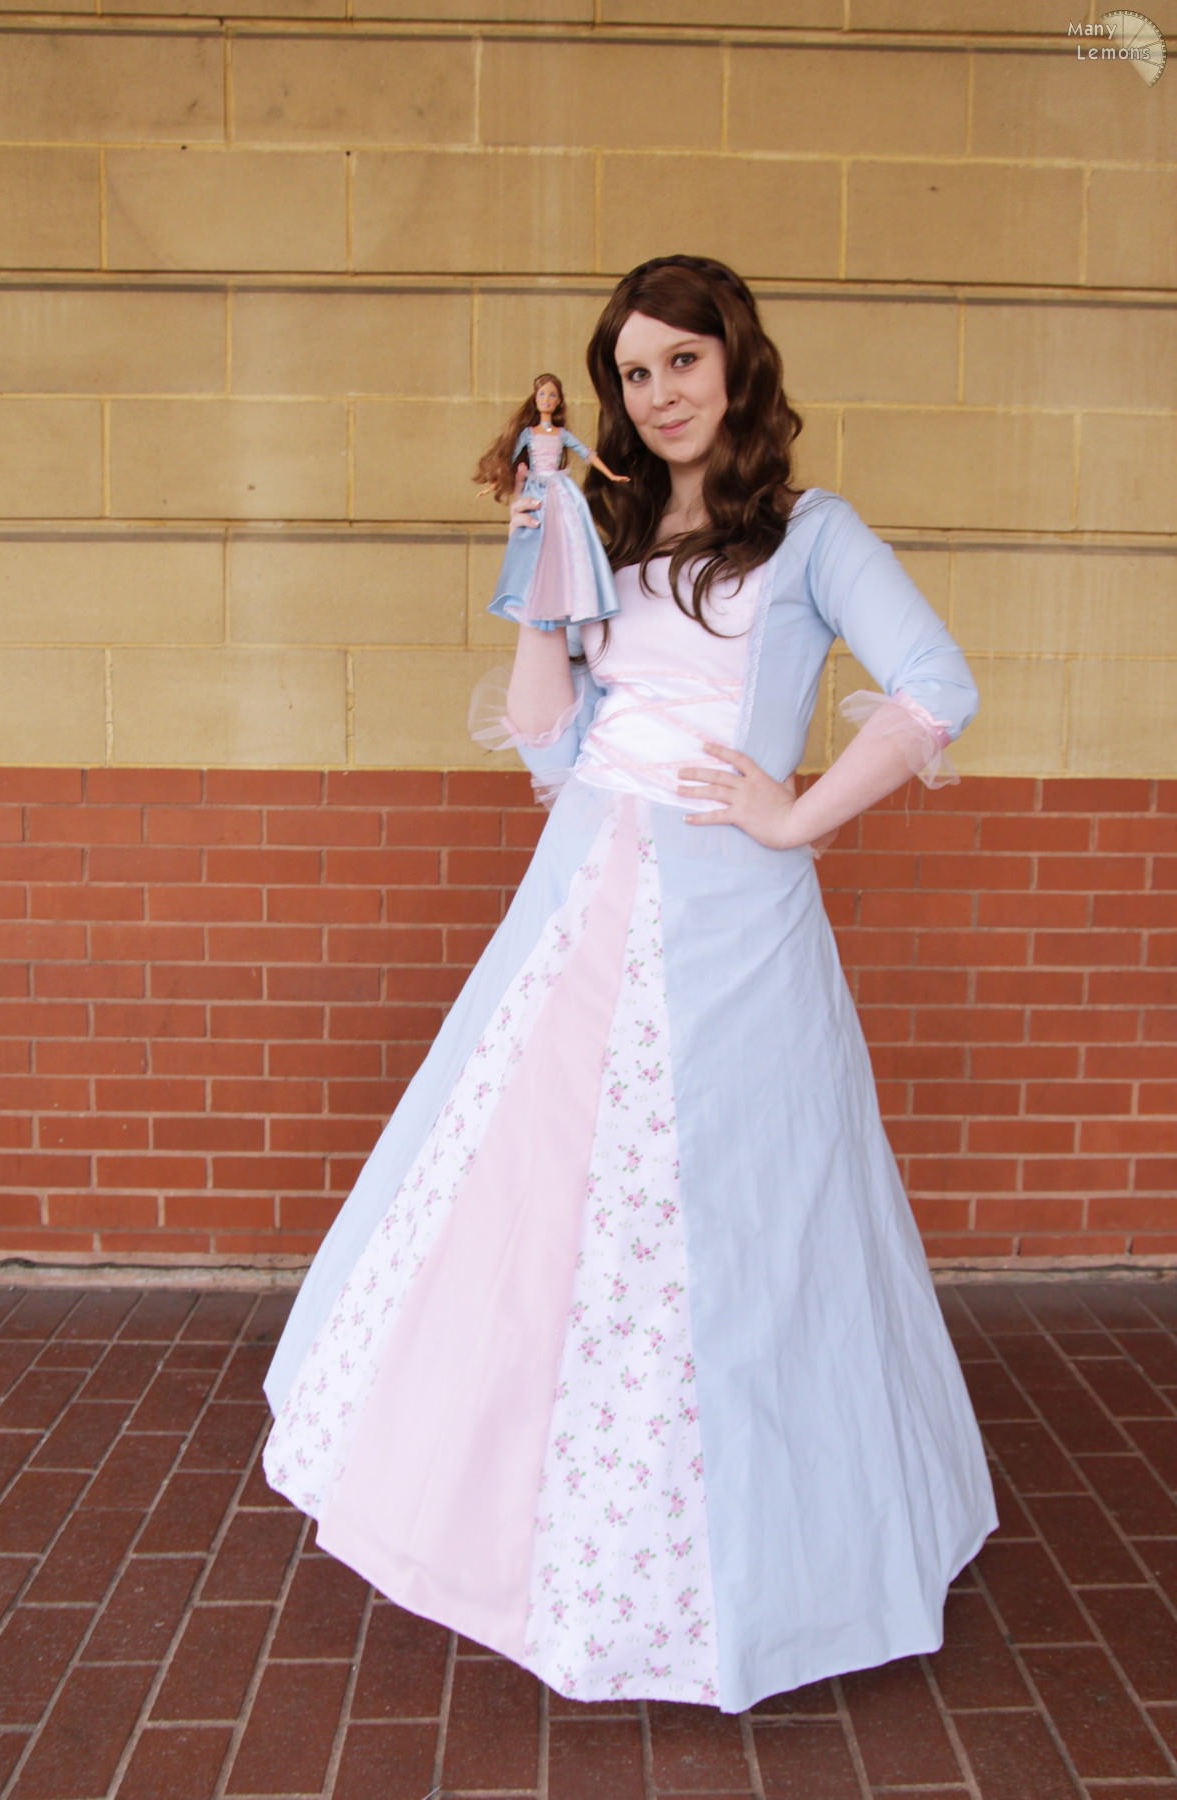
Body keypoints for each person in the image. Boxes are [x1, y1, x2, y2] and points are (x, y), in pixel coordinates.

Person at [263, 254, 997, 1715]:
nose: (659, 393)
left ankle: (750, 1570)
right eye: (635, 371)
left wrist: (794, 812)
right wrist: (539, 577)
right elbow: (550, 745)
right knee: (537, 1208)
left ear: (738, 364)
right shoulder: (604, 524)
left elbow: (938, 683)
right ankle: (540, 1540)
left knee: (733, 1225)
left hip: (733, 923)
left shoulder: (811, 533)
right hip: (580, 905)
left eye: (683, 361)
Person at [477, 371, 629, 630]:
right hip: (536, 488)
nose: (546, 399)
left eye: (552, 395)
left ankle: (568, 595)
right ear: (535, 398)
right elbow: (510, 461)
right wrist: (494, 484)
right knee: (537, 542)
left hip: (559, 488)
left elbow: (587, 453)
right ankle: (536, 599)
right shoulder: (528, 434)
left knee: (568, 538)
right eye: (542, 394)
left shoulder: (561, 434)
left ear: (559, 401)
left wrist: (611, 474)